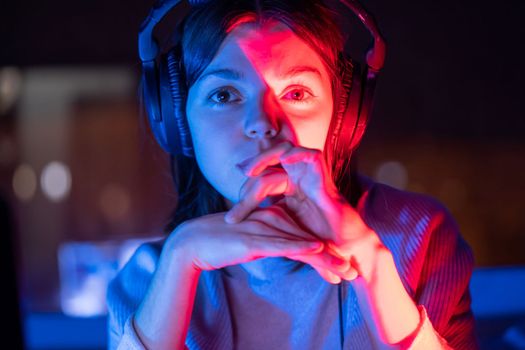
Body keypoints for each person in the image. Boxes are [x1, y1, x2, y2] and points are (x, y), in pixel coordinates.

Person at [107, 0, 478, 348]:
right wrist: (180, 261)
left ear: (343, 120)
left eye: (297, 93)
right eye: (224, 95)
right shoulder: (151, 277)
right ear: (179, 121)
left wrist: (374, 267)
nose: (262, 124)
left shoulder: (419, 237)